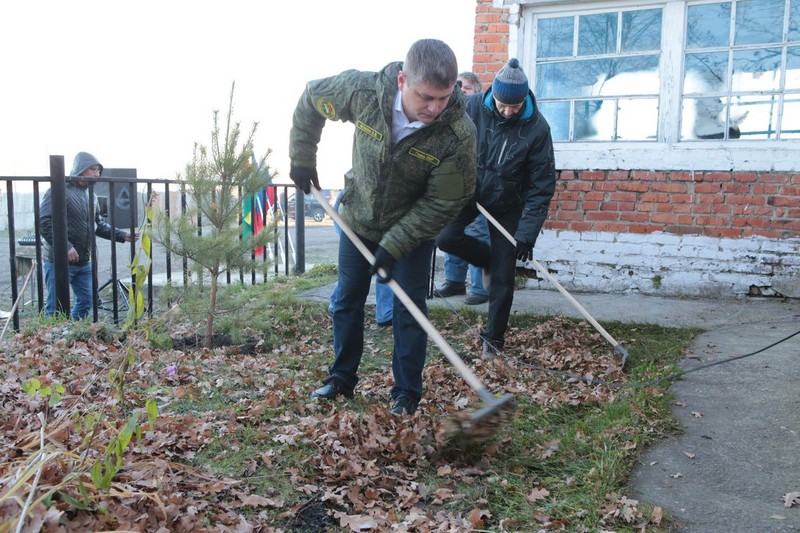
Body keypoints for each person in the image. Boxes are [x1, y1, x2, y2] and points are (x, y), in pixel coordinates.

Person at [289, 38, 477, 415]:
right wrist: (303, 158)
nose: (435, 108)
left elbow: (444, 201)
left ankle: (406, 393)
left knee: (409, 309)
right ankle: (341, 377)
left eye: (443, 98)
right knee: (347, 299)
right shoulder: (363, 93)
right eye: (426, 97)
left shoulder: (457, 133)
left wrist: (395, 244)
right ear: (403, 80)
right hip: (358, 218)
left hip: (412, 232)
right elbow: (312, 98)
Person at [436, 58, 556, 359]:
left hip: (507, 204)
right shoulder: (472, 106)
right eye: (503, 105)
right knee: (445, 237)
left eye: (514, 107)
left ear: (523, 101)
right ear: (494, 95)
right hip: (470, 192)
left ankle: (494, 339)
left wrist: (526, 233)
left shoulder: (537, 128)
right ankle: (486, 258)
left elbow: (541, 185)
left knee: (504, 275)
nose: (508, 112)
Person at [39, 152, 137, 320]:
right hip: (59, 261)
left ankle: (70, 330)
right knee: (56, 307)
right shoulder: (59, 190)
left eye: (98, 170)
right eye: (93, 169)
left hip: (84, 262)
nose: (97, 174)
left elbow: (98, 224)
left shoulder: (91, 196)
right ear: (81, 169)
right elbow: (44, 221)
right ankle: (53, 335)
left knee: (87, 301)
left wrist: (122, 234)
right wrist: (66, 246)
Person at [435, 72, 490, 305]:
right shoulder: (449, 115)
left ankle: (480, 288)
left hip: (477, 183)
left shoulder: (484, 114)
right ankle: (454, 281)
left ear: (476, 91)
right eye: (456, 87)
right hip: (453, 185)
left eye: (465, 87)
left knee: (477, 231)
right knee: (450, 233)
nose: (460, 91)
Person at [328, 185, 392, 327]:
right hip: (350, 215)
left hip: (382, 216)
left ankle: (386, 312)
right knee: (354, 273)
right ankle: (335, 305)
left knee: (383, 265)